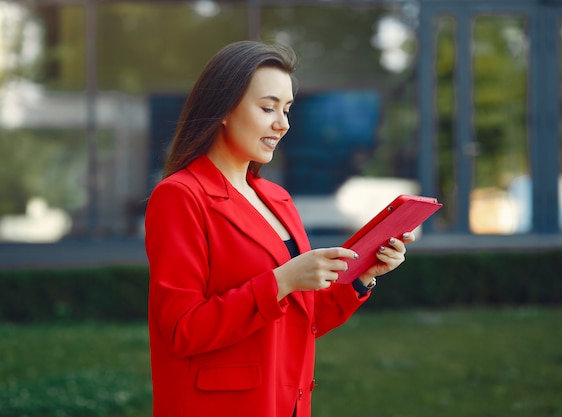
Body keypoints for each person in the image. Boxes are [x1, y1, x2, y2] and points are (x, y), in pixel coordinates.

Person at [144, 40, 415, 417]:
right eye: (268, 107)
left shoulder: (278, 199)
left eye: (286, 109)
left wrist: (362, 275)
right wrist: (281, 281)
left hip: (286, 402)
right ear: (222, 108)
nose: (282, 123)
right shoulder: (180, 196)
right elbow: (182, 329)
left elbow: (308, 317)